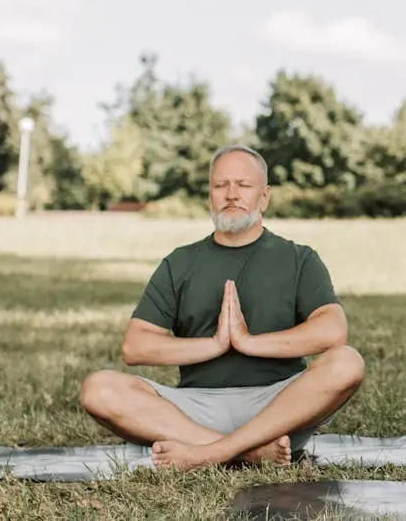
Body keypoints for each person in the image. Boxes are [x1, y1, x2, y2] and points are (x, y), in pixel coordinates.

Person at [79, 144, 365, 471]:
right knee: (98, 388)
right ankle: (248, 452)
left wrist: (248, 342)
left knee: (347, 362)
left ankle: (206, 454)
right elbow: (135, 346)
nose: (231, 194)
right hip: (194, 410)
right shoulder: (180, 262)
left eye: (243, 185)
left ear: (265, 197)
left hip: (278, 409)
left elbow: (333, 330)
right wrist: (215, 344)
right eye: (220, 185)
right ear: (210, 197)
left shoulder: (299, 259)